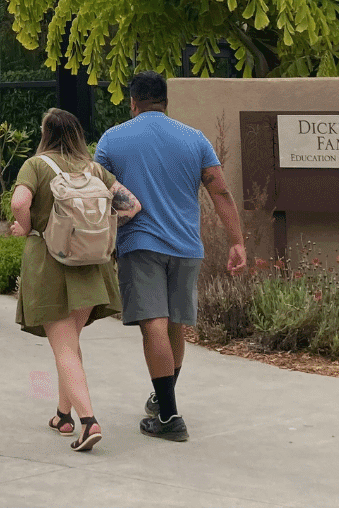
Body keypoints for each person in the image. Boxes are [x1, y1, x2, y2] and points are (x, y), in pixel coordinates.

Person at [93, 71, 246, 443]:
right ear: (166, 101)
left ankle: (169, 416)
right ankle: (164, 398)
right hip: (187, 247)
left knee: (154, 325)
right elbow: (221, 193)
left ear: (133, 102)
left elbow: (97, 191)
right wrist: (237, 241)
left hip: (141, 244)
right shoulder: (195, 139)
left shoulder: (113, 139)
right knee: (176, 324)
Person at [9, 108, 142, 452]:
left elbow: (19, 201)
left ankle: (88, 422)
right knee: (70, 345)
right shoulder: (94, 169)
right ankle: (62, 415)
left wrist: (25, 227)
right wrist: (98, 231)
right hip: (91, 267)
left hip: (50, 264)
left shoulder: (36, 165)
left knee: (64, 347)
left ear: (46, 132)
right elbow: (131, 206)